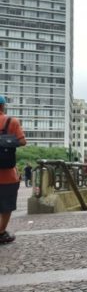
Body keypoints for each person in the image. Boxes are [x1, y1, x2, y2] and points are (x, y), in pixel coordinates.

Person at [0, 95, 27, 244]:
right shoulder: (12, 121)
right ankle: (1, 232)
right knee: (7, 204)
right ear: (3, 106)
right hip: (8, 174)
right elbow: (22, 141)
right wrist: (7, 140)